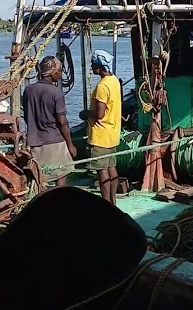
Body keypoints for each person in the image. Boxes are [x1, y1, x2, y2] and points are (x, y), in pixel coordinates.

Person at [22, 56, 78, 188]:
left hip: (34, 141)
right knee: (61, 175)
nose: (60, 74)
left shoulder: (28, 90)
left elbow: (27, 116)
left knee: (38, 178)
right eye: (59, 71)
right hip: (54, 141)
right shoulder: (56, 92)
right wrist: (70, 144)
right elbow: (62, 122)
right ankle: (58, 204)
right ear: (53, 73)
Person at [80, 49, 122, 204]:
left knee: (102, 170)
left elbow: (99, 114)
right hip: (112, 133)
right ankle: (112, 200)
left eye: (93, 64)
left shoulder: (102, 87)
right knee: (111, 167)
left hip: (100, 135)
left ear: (100, 66)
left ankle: (105, 203)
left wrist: (85, 114)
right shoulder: (114, 81)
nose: (91, 67)